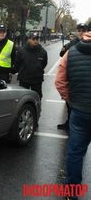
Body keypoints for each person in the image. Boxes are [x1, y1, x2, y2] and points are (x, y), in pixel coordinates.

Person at [55, 23, 91, 200]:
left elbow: (60, 81)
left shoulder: (72, 52)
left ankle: (72, 192)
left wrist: (70, 99)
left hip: (79, 111)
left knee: (75, 153)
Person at [57, 23, 87, 130]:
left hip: (84, 78)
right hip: (72, 77)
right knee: (69, 102)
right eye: (79, 30)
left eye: (83, 30)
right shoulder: (72, 44)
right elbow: (62, 55)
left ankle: (75, 124)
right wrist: (63, 48)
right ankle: (69, 122)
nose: (81, 32)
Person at [15, 34, 48, 99]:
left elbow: (44, 63)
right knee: (23, 97)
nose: (35, 41)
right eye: (33, 39)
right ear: (29, 40)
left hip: (37, 79)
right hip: (24, 79)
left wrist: (38, 69)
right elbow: (17, 63)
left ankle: (37, 108)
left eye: (37, 39)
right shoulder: (22, 51)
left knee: (37, 97)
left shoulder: (43, 52)